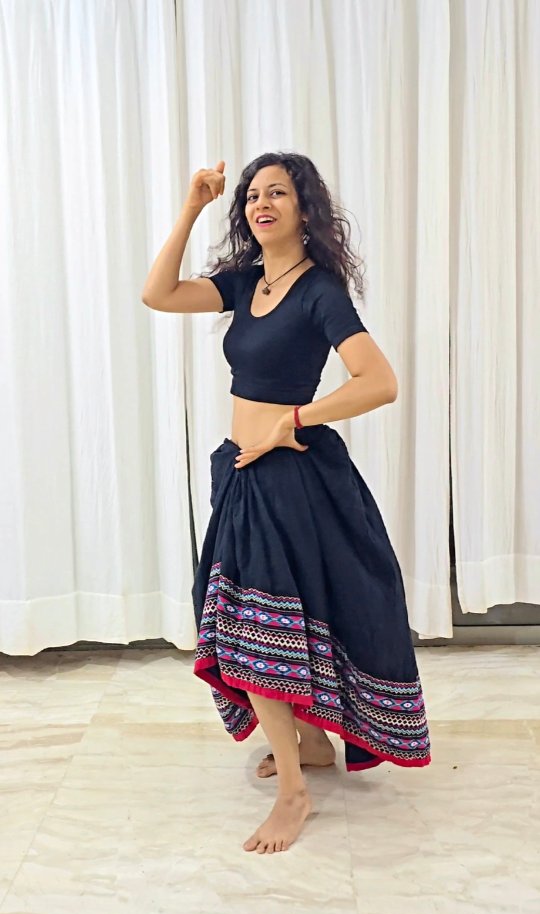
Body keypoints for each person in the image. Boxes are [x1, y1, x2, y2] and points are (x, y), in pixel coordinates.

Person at [142, 151, 431, 856]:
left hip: (287, 477)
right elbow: (159, 294)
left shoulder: (318, 292)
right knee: (255, 619)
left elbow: (379, 381)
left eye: (277, 193)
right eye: (251, 195)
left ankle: (295, 794)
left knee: (254, 629)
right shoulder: (247, 282)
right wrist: (192, 207)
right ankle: (312, 745)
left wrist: (293, 421)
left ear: (305, 208)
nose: (260, 204)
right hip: (241, 472)